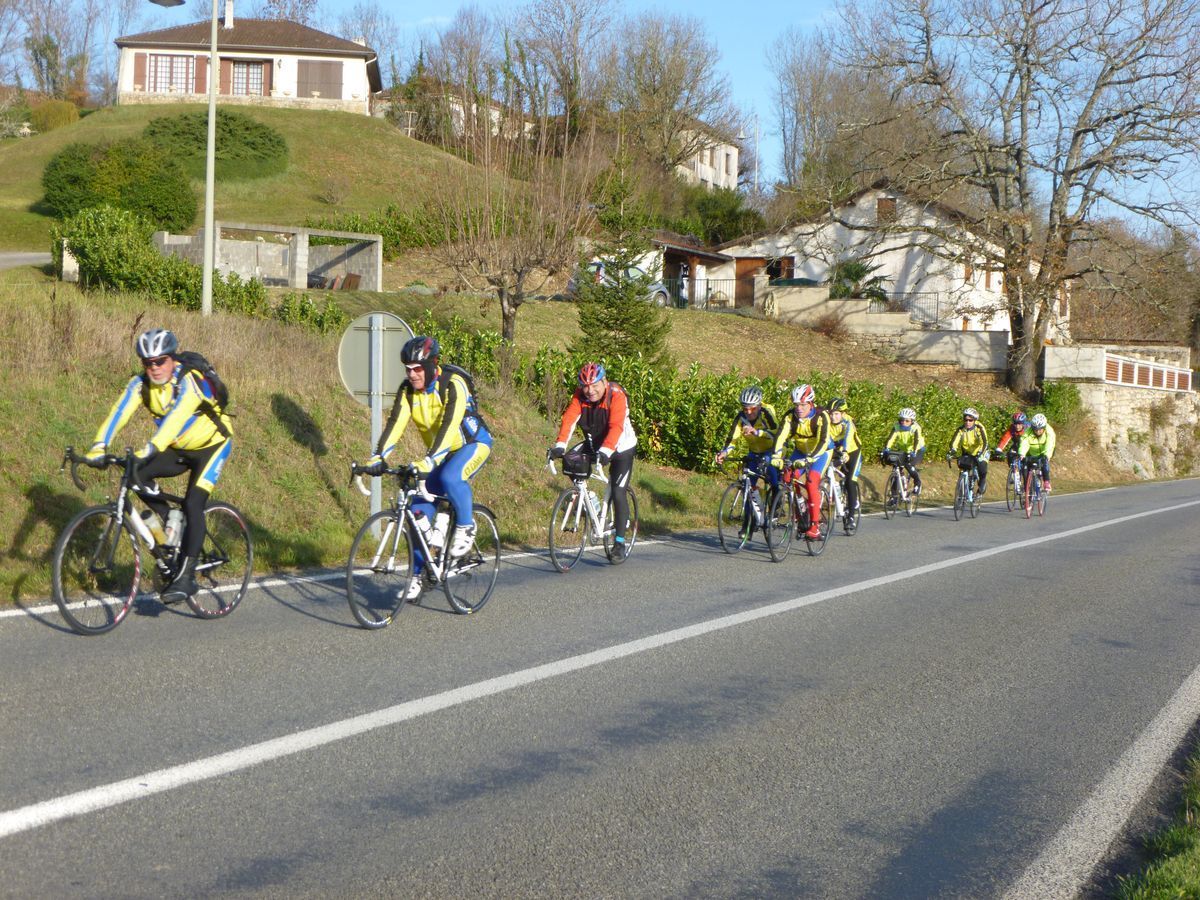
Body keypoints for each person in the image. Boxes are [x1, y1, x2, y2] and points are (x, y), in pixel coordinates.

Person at [84, 328, 233, 604]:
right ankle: (169, 526)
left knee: (194, 503)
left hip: (211, 446)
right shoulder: (140, 384)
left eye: (160, 361)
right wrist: (98, 446)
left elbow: (175, 420)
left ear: (172, 359)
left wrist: (149, 449)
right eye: (147, 362)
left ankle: (187, 578)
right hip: (178, 448)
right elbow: (119, 412)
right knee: (136, 475)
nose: (154, 368)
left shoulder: (189, 381)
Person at [362, 335, 492, 601]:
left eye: (418, 368)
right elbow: (396, 423)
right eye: (408, 369)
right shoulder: (407, 391)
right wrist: (378, 457)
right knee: (416, 513)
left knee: (451, 478)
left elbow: (449, 427)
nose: (412, 374)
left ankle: (466, 526)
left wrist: (429, 461)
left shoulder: (452, 385)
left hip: (472, 444)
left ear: (433, 365)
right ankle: (418, 576)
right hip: (439, 454)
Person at [549, 362, 637, 559]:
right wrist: (560, 446)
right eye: (585, 386)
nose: (590, 391)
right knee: (570, 461)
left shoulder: (616, 395)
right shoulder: (580, 396)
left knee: (618, 490)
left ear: (604, 381)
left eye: (595, 385)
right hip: (595, 443)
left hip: (621, 447)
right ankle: (593, 505)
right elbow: (569, 419)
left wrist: (605, 452)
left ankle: (620, 543)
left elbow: (616, 427)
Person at [771, 383, 832, 540]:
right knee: (787, 477)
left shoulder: (821, 416)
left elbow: (824, 441)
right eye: (796, 405)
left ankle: (815, 527)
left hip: (821, 453)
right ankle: (801, 510)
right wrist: (776, 456)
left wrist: (810, 459)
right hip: (800, 452)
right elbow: (780, 437)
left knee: (811, 482)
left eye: (803, 405)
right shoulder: (790, 417)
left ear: (811, 403)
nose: (799, 408)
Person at [714, 384, 781, 504]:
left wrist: (757, 432)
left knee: (770, 469)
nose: (749, 412)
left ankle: (777, 498)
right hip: (754, 452)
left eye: (753, 408)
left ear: (759, 406)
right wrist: (724, 452)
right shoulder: (741, 417)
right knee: (748, 485)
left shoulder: (766, 413)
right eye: (745, 409)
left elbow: (777, 432)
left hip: (771, 449)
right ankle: (755, 511)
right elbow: (732, 438)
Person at [827, 397, 861, 530]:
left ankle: (851, 517)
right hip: (836, 450)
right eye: (831, 414)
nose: (833, 417)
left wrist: (845, 451)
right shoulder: (826, 421)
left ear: (843, 413)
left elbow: (848, 437)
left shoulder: (848, 421)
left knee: (850, 481)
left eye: (836, 414)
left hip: (852, 451)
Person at [882, 406, 926, 495]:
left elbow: (916, 440)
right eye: (901, 420)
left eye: (907, 421)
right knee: (896, 468)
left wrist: (914, 451)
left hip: (917, 450)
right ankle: (894, 496)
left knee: (909, 465)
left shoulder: (915, 428)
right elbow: (891, 438)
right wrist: (886, 448)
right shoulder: (897, 426)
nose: (904, 422)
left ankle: (917, 483)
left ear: (912, 421)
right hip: (903, 450)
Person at [947, 407, 990, 495]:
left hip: (981, 451)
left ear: (974, 420)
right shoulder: (961, 429)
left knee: (982, 465)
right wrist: (952, 450)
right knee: (963, 468)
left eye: (970, 420)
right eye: (965, 420)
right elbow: (954, 441)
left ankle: (982, 483)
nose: (967, 422)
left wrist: (980, 452)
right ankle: (961, 493)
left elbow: (984, 442)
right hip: (967, 452)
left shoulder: (979, 428)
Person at [1018, 412, 1056, 492]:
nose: (1038, 431)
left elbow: (1050, 444)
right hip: (1032, 452)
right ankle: (1027, 487)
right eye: (1035, 429)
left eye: (1040, 429)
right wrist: (1022, 453)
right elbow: (1024, 442)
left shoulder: (1049, 432)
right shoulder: (1028, 431)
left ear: (1044, 427)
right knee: (1025, 466)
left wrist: (1047, 455)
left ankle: (1046, 482)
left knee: (1044, 462)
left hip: (1045, 451)